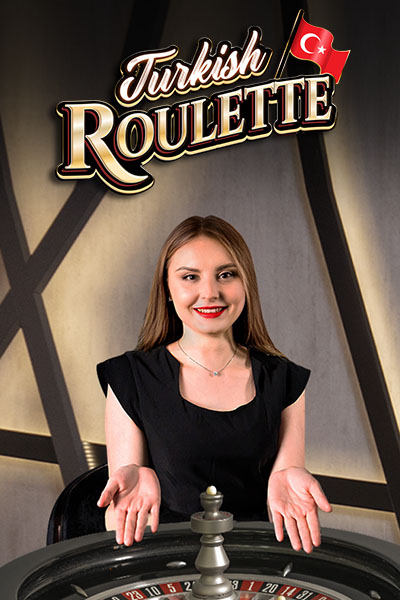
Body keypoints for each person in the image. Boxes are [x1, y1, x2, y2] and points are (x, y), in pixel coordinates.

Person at [97, 215, 331, 553]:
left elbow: (286, 488)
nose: (210, 293)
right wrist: (133, 478)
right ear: (167, 289)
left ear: (246, 283)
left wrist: (290, 478)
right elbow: (117, 522)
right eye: (190, 277)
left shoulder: (284, 379)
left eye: (226, 274)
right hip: (163, 564)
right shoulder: (129, 376)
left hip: (254, 564)